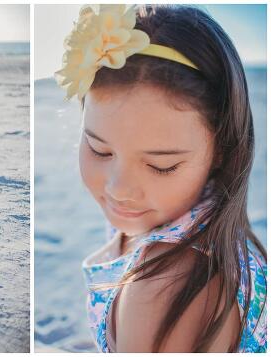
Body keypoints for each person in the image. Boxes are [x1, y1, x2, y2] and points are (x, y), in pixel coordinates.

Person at [55, 4, 266, 352]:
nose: (118, 189)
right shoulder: (179, 215)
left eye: (161, 166)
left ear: (222, 151)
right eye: (99, 150)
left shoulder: (165, 290)